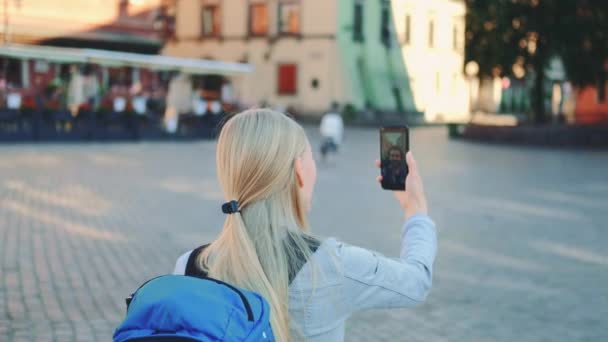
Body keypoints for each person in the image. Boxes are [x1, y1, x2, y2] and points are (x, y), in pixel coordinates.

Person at [173, 108, 436, 341]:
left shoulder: (187, 266)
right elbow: (416, 281)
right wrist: (416, 209)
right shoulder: (333, 265)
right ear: (299, 170)